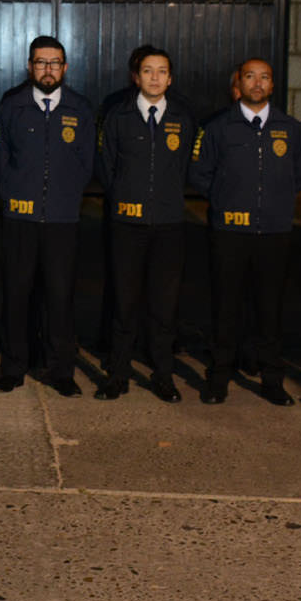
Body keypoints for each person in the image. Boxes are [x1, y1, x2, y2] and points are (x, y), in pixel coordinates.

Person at [188, 57, 301, 405]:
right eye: (250, 77)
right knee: (226, 308)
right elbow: (199, 172)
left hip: (274, 233)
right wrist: (227, 201)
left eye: (265, 77)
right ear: (238, 84)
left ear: (272, 85)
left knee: (270, 310)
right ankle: (219, 378)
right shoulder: (217, 127)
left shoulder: (290, 128)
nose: (257, 83)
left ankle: (271, 379)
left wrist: (276, 204)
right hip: (230, 233)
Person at [0, 35, 93, 397]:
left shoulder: (79, 107)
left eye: (54, 63)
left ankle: (60, 370)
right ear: (29, 66)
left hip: (62, 220)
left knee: (60, 297)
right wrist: (10, 198)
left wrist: (65, 197)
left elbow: (86, 163)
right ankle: (13, 369)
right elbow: (0, 159)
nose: (47, 69)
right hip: (20, 219)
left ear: (64, 68)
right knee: (17, 295)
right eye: (40, 62)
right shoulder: (12, 105)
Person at [94, 48, 196, 401]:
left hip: (168, 226)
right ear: (135, 77)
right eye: (147, 71)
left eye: (162, 71)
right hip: (127, 224)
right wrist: (126, 197)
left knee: (164, 307)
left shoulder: (183, 118)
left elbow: (185, 167)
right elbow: (106, 168)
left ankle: (163, 376)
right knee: (124, 304)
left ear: (170, 78)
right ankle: (117, 375)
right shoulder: (118, 116)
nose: (155, 77)